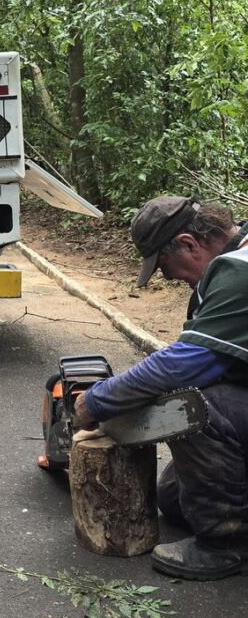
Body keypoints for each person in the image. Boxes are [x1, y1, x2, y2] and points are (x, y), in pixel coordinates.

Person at [75, 196, 248, 580]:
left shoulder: (240, 272)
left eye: (166, 268)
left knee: (191, 405)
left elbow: (185, 365)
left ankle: (229, 547)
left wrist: (96, 401)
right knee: (175, 500)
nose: (170, 279)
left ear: (188, 244)